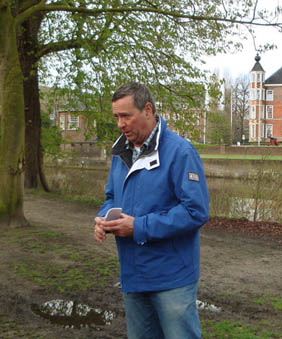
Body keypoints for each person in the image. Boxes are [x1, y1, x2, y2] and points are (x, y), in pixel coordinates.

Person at [93, 82, 209, 339]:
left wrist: (138, 226)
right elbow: (112, 196)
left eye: (126, 116)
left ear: (148, 110)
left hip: (172, 278)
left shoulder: (180, 152)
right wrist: (105, 218)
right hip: (134, 274)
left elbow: (195, 211)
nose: (120, 124)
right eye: (116, 117)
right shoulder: (120, 152)